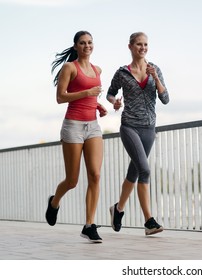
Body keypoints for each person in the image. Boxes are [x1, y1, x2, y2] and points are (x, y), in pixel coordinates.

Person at [45, 30, 107, 243]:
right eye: (82, 43)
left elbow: (90, 97)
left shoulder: (98, 70)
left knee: (95, 175)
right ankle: (54, 201)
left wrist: (99, 105)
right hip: (73, 126)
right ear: (75, 46)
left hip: (93, 127)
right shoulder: (69, 67)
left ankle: (89, 225)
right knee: (72, 180)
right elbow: (61, 97)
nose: (87, 45)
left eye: (90, 42)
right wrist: (87, 94)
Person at [106, 32, 169, 235]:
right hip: (129, 126)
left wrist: (156, 78)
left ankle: (118, 209)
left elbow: (166, 99)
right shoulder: (122, 72)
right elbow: (110, 92)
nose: (143, 48)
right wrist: (114, 102)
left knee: (134, 173)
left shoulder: (155, 69)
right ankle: (149, 221)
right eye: (139, 44)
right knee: (145, 170)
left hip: (149, 128)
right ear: (130, 47)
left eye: (145, 44)